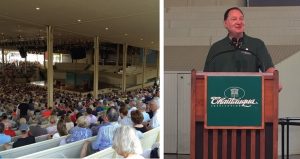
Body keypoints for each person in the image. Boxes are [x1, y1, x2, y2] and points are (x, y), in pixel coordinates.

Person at [203, 7, 275, 73]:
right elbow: (205, 76)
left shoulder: (257, 45)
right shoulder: (216, 48)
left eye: (241, 19)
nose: (239, 22)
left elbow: (269, 68)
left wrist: (275, 79)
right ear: (225, 24)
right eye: (234, 19)